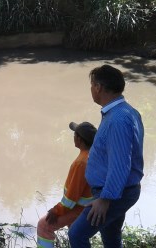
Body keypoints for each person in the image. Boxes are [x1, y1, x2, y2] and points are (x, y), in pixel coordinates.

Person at [68, 64, 145, 247]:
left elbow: (120, 164)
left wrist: (105, 199)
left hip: (112, 194)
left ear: (98, 87)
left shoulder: (117, 120)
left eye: (92, 85)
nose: (91, 89)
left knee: (77, 235)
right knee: (111, 237)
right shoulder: (126, 112)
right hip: (120, 190)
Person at [37, 121, 97, 248]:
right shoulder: (95, 154)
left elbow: (72, 197)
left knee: (44, 226)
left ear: (79, 140)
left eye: (75, 134)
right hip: (88, 206)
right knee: (76, 235)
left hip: (78, 208)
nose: (73, 137)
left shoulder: (81, 163)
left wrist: (57, 210)